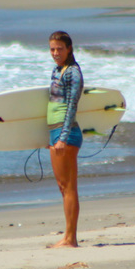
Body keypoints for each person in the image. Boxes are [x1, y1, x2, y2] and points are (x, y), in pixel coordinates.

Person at [47, 31, 83, 248]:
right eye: (52, 49)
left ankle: (70, 239)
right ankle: (68, 237)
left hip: (65, 133)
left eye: (59, 48)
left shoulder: (73, 73)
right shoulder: (57, 70)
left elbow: (72, 106)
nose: (55, 53)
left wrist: (62, 137)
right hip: (55, 132)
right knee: (62, 186)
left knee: (69, 186)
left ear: (69, 48)